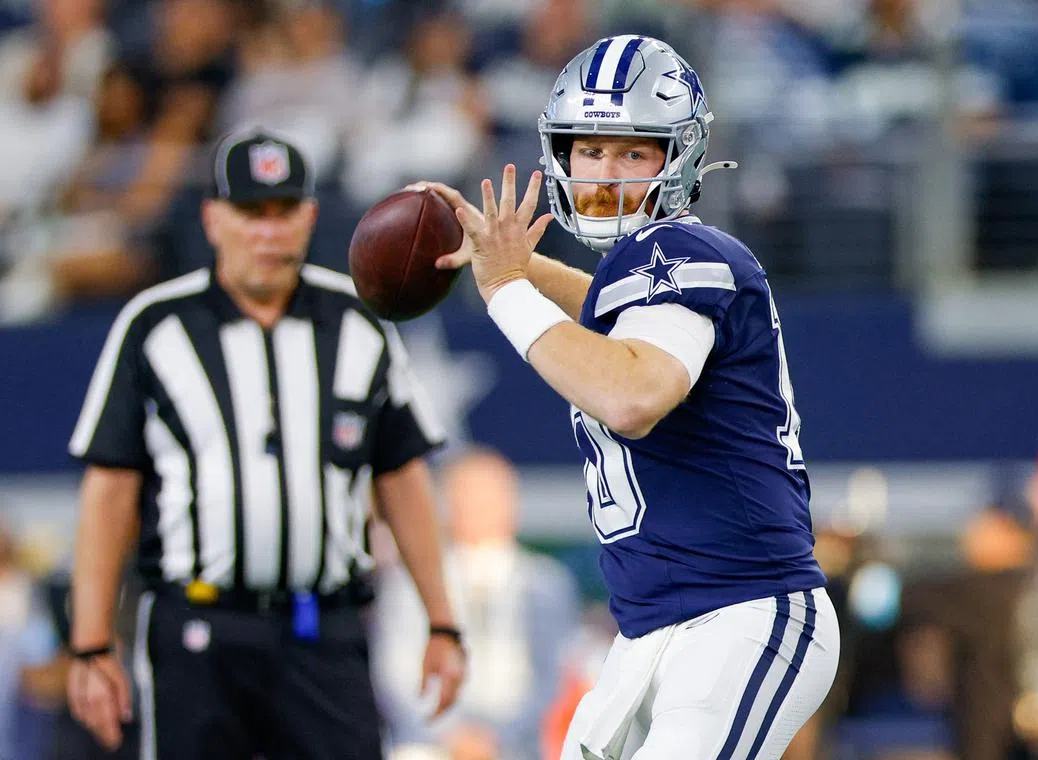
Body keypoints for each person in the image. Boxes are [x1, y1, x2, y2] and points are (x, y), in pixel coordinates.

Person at [422, 35, 841, 760]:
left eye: (633, 152)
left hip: (738, 610)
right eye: (590, 151)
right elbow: (614, 326)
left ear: (677, 158)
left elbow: (632, 393)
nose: (606, 173)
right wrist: (525, 271)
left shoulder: (688, 252)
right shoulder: (646, 275)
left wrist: (504, 290)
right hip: (652, 630)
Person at [65, 127, 466, 759]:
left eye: (285, 212)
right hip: (197, 625)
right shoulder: (154, 325)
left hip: (324, 629)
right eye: (252, 212)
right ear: (213, 218)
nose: (269, 232)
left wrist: (442, 621)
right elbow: (110, 489)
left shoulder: (361, 321)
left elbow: (402, 476)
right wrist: (91, 643)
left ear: (310, 216)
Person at [374, 446, 581, 760]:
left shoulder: (545, 583)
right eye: (467, 497)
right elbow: (394, 675)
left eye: (489, 498)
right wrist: (451, 735)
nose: (478, 508)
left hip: (515, 748)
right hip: (428, 744)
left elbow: (551, 679)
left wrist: (492, 739)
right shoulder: (411, 581)